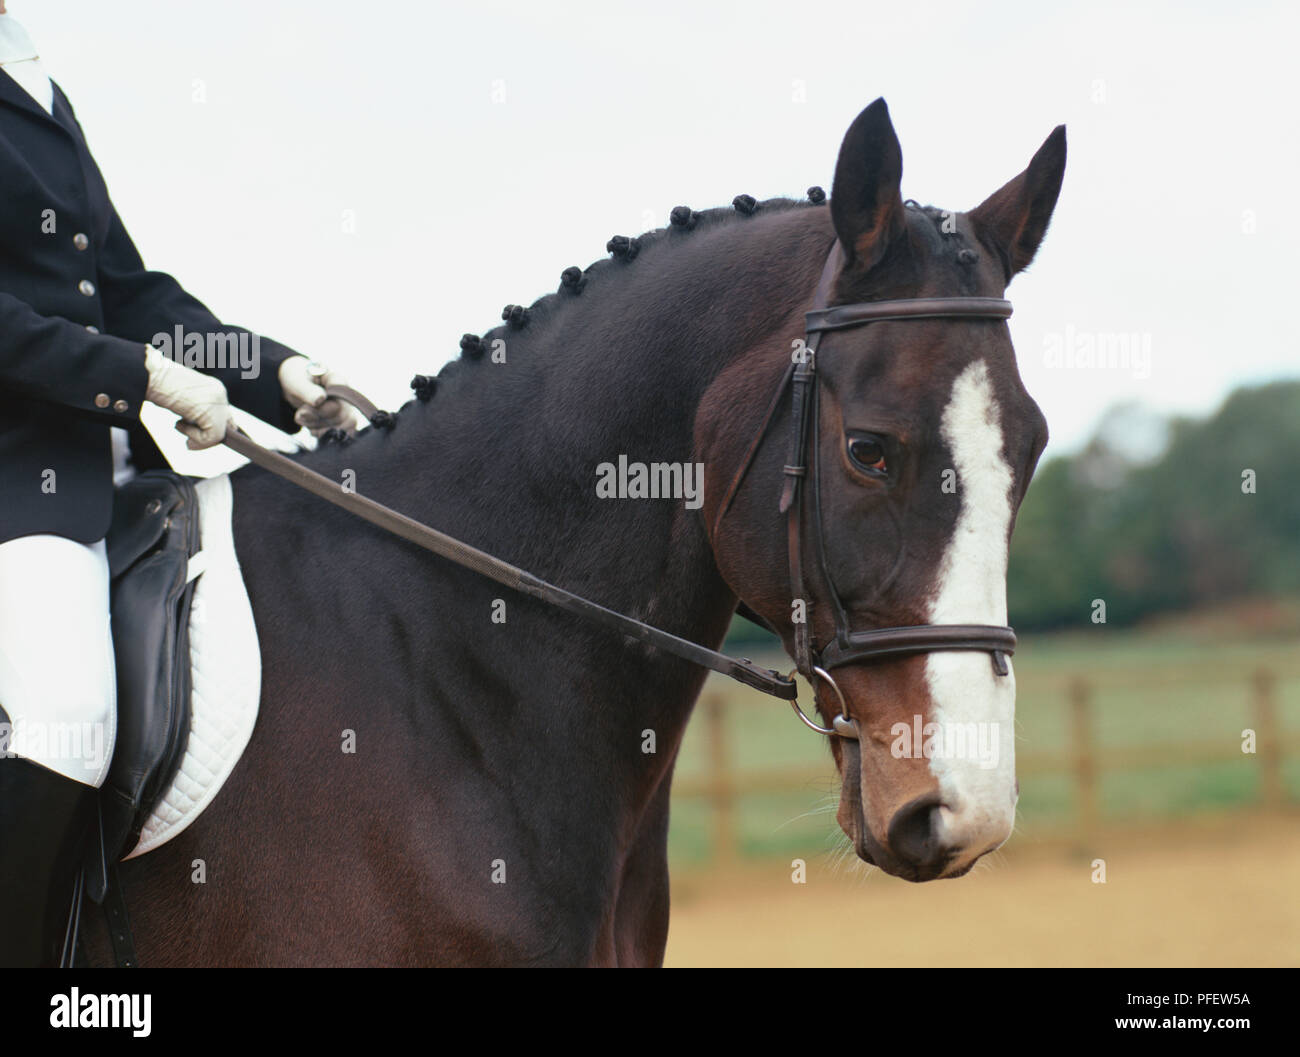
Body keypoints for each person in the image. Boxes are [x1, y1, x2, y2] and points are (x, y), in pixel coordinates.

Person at [0, 4, 358, 966]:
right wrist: (145, 375)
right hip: (13, 490)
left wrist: (272, 369)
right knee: (69, 717)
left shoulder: (33, 81)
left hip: (109, 474)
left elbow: (126, 289)